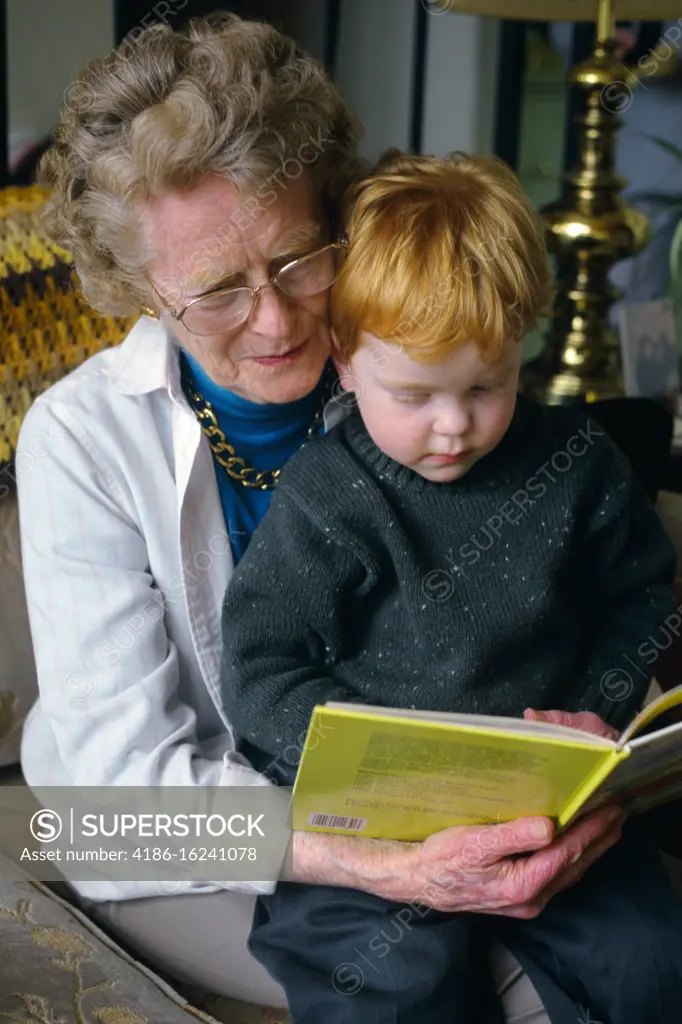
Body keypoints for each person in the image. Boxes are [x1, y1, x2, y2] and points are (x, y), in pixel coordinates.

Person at [13, 13, 653, 1022]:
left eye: (299, 259)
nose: (275, 319)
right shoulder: (79, 439)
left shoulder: (408, 377)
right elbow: (124, 786)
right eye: (217, 290)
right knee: (448, 979)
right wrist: (386, 865)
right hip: (159, 829)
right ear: (138, 288)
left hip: (438, 795)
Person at [219, 151, 682, 1023]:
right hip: (376, 818)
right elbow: (259, 667)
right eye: (415, 393)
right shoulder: (329, 495)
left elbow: (642, 602)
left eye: (487, 385)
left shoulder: (579, 466)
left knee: (652, 963)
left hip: (547, 805)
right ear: (347, 362)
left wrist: (597, 708)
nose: (454, 425)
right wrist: (367, 760)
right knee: (392, 986)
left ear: (522, 351)